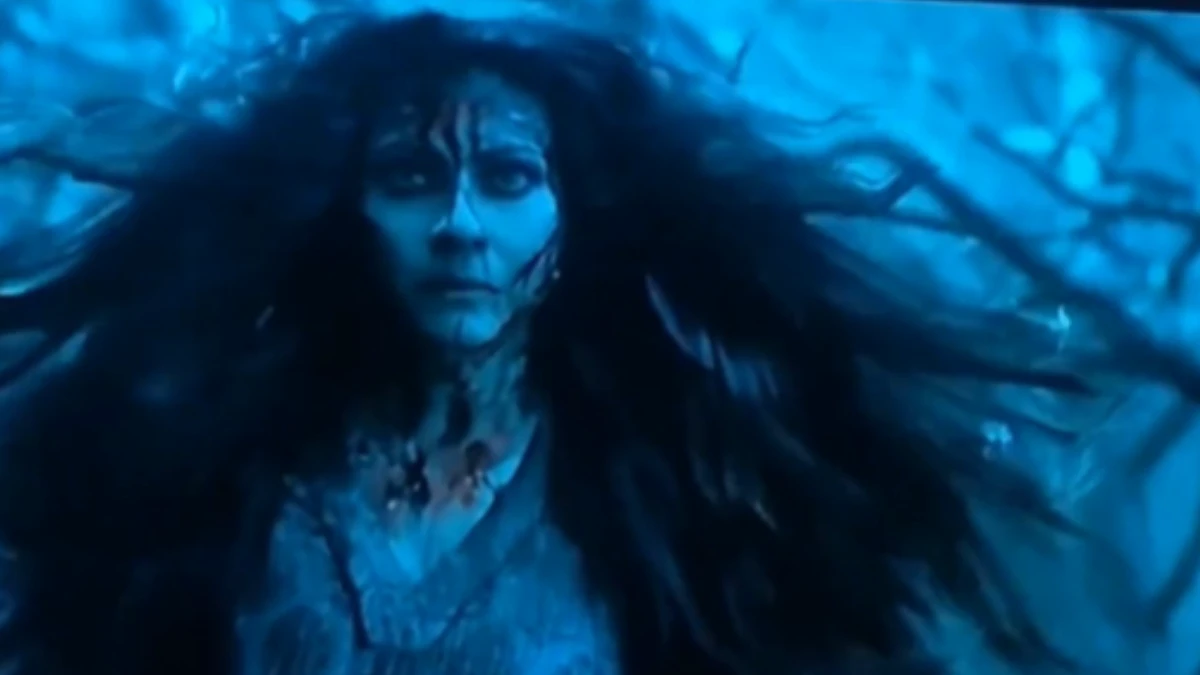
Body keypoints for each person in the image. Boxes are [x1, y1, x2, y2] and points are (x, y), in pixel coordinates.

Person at [0, 10, 1091, 675]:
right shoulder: (231, 479)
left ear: (572, 222)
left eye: (509, 176)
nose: (459, 223)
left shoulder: (664, 494)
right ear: (346, 215)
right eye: (410, 176)